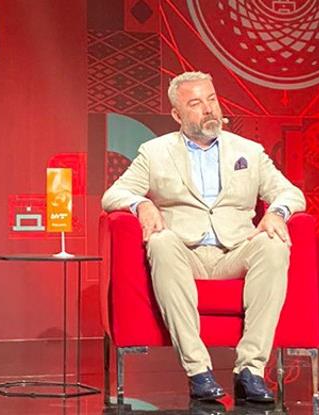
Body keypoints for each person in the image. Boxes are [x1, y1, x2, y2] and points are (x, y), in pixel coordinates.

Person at [101, 71, 305, 403]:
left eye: (211, 99)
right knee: (160, 242)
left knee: (274, 246)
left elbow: (291, 193)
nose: (209, 109)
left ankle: (251, 370)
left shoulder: (249, 151)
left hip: (236, 252)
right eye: (196, 103)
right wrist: (142, 204)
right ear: (177, 114)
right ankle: (198, 370)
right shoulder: (155, 152)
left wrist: (277, 212)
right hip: (185, 253)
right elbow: (113, 195)